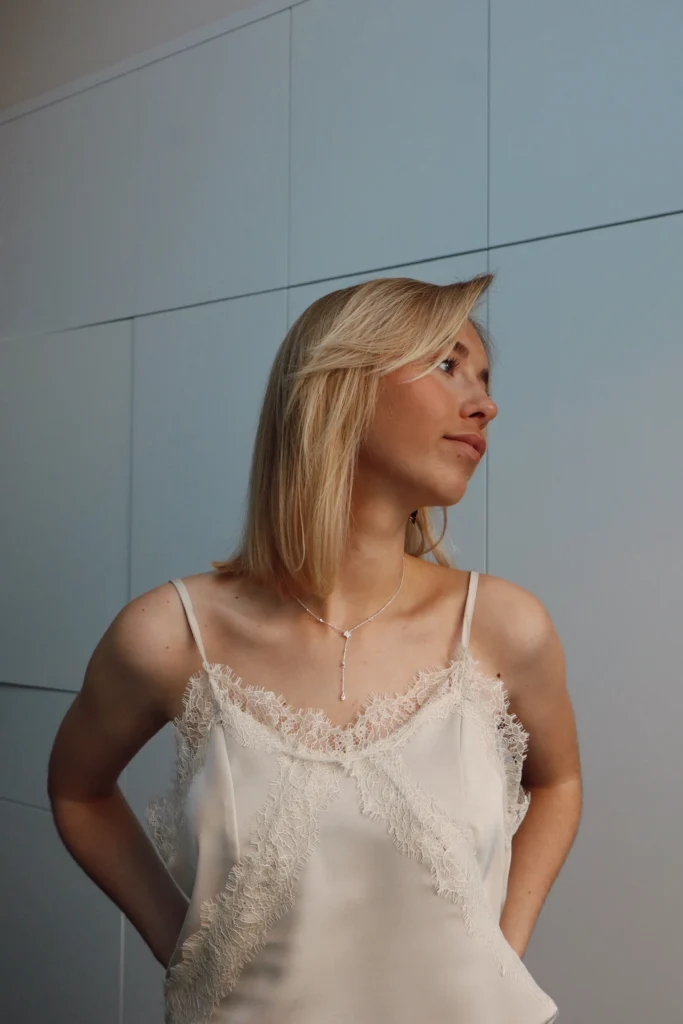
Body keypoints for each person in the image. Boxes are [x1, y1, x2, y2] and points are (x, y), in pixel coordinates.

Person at [48, 274, 582, 1023]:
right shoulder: (170, 634)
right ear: (339, 385)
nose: (484, 404)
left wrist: (501, 953)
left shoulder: (501, 626)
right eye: (447, 365)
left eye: (486, 380)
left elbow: (559, 782)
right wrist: (192, 956)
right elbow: (77, 792)